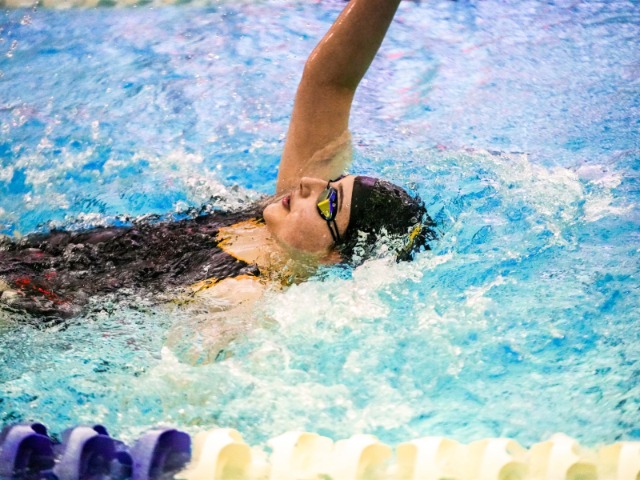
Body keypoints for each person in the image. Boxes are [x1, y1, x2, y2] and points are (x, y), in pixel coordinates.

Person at [0, 0, 434, 326]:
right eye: (331, 181)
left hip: (27, 305)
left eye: (329, 202)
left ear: (333, 257)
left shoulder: (245, 295)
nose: (308, 184)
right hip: (38, 253)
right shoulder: (281, 212)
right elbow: (329, 82)